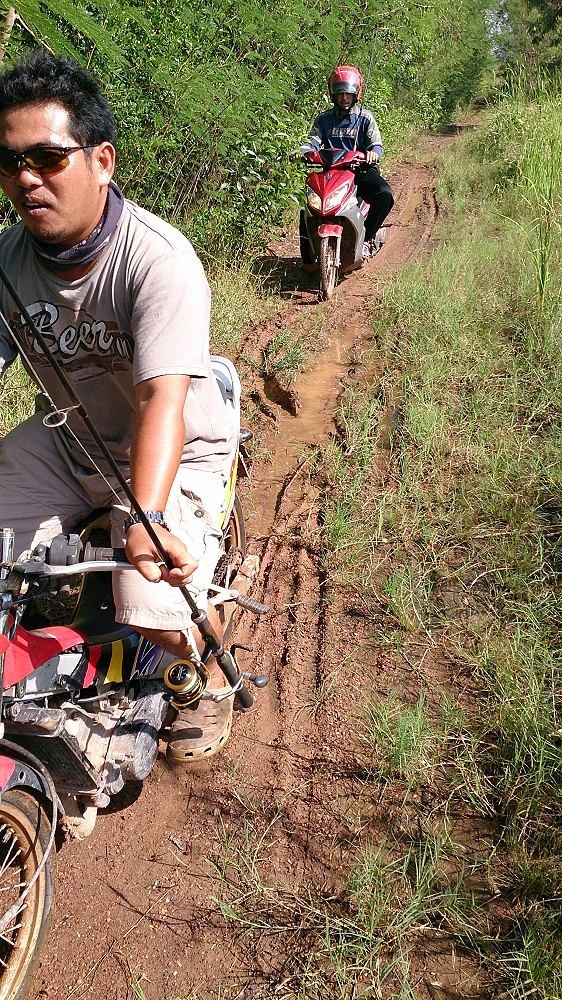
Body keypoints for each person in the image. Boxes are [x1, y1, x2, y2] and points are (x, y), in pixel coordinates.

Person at [0, 49, 238, 763]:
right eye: (9, 161)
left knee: (153, 609)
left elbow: (161, 399)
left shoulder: (158, 260)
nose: (26, 178)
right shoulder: (5, 260)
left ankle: (210, 678)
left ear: (102, 161)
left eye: (49, 157)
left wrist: (149, 518)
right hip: (69, 440)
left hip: (173, 444)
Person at [299, 65, 394, 267]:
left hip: (360, 171)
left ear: (356, 94)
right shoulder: (324, 119)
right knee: (307, 207)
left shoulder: (365, 118)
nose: (344, 98)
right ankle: (307, 257)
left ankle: (367, 238)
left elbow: (376, 145)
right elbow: (312, 141)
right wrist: (303, 151)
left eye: (348, 93)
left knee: (385, 194)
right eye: (340, 93)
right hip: (331, 172)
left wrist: (372, 154)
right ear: (333, 94)